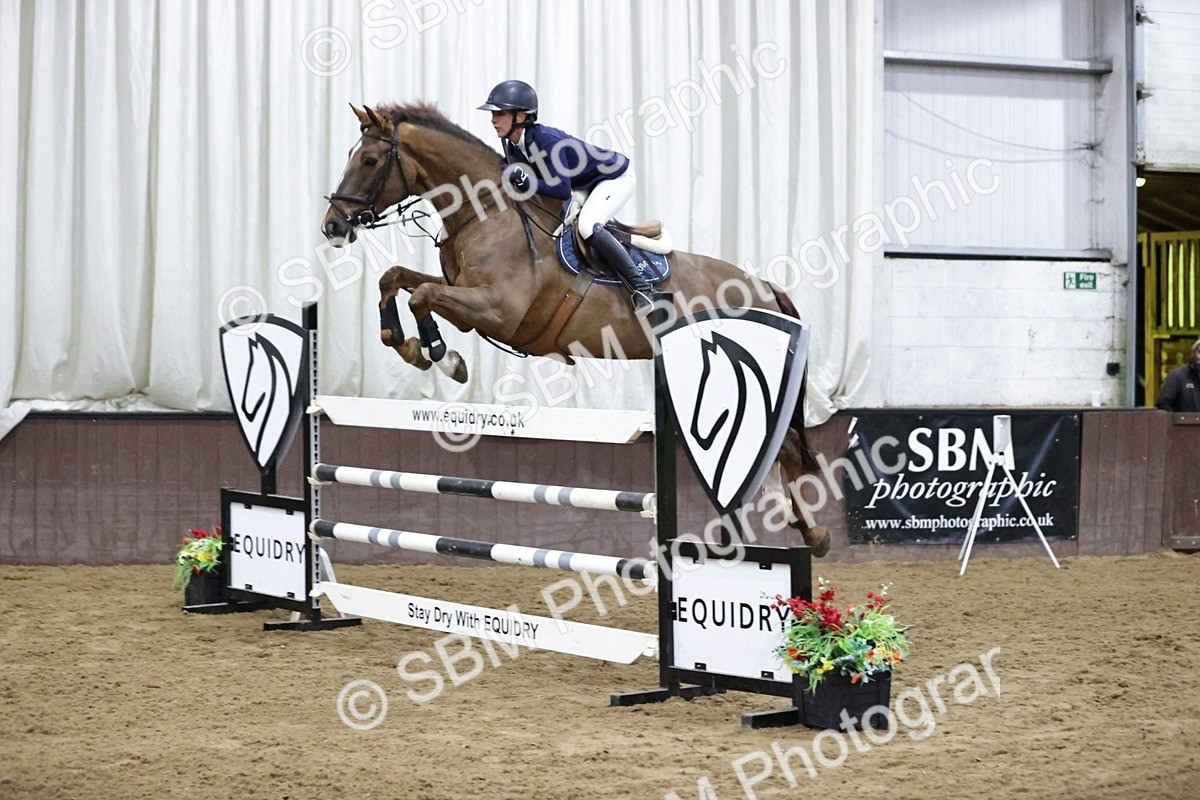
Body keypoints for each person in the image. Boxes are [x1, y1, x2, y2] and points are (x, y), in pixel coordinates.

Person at [478, 79, 659, 315]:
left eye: (500, 113)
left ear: (520, 117)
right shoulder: (512, 146)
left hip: (615, 178)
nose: (493, 119)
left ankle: (642, 288)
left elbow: (560, 191)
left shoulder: (546, 141)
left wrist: (526, 182)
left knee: (587, 227)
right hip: (584, 183)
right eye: (493, 113)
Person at [1156, 339, 1200, 412]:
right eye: (1199, 352)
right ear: (1194, 353)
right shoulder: (1178, 375)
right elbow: (1163, 404)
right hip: (1185, 422)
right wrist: (1178, 421)